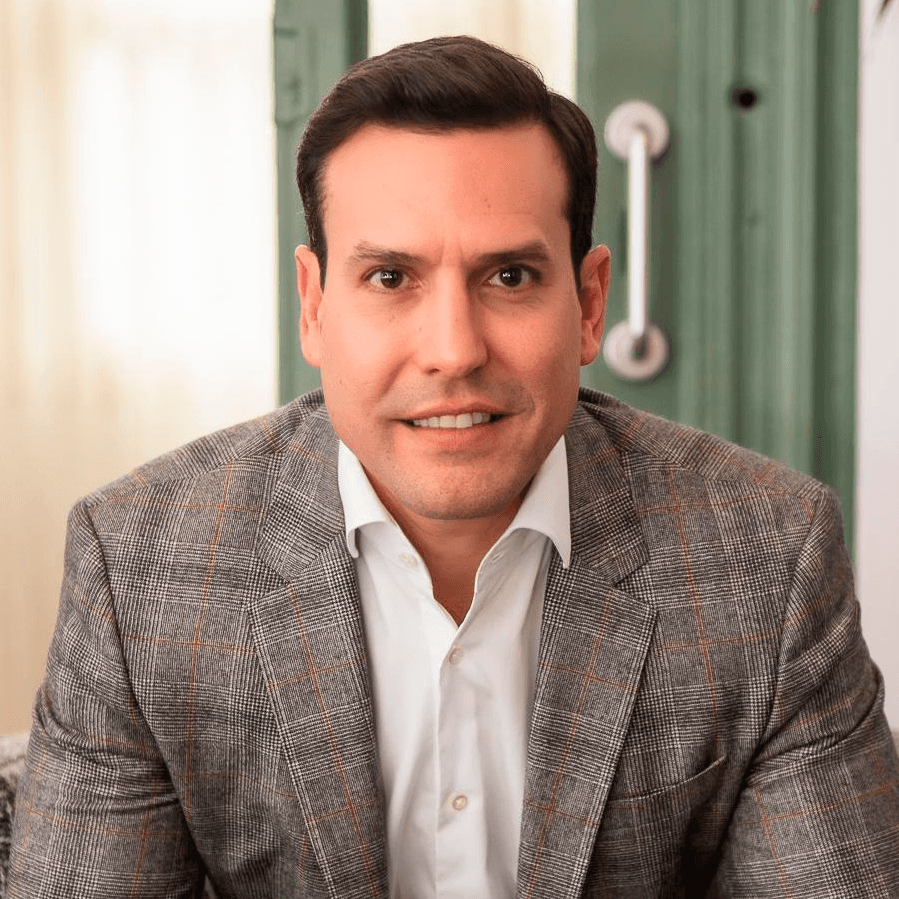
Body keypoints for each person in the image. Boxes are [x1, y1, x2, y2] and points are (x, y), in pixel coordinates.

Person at [8, 35, 899, 899]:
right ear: (313, 306)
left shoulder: (769, 558)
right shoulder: (138, 565)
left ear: (589, 303)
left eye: (508, 276)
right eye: (390, 278)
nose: (453, 350)